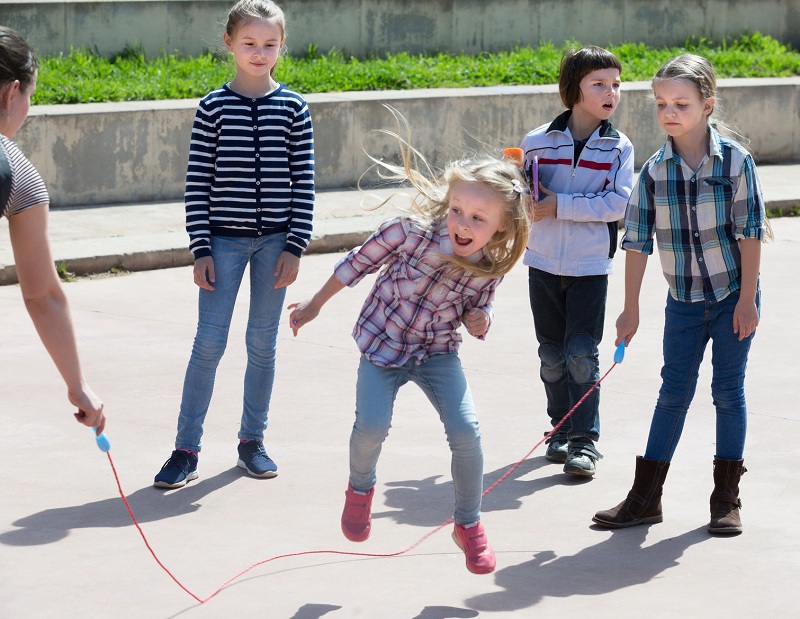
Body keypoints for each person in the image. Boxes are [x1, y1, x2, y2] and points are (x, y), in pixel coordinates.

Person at [287, 118, 529, 575]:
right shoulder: (408, 233)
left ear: (499, 229)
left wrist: (481, 321)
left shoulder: (490, 265)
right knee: (372, 426)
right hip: (382, 346)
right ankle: (360, 490)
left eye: (478, 219)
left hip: (437, 352)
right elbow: (355, 265)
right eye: (458, 210)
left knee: (467, 432)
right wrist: (315, 303)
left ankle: (468, 524)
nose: (463, 223)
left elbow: (481, 312)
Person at [592, 54, 769, 534]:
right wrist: (630, 308)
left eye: (682, 103)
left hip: (734, 295)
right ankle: (645, 498)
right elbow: (635, 241)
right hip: (684, 303)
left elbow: (751, 231)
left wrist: (749, 299)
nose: (670, 112)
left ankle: (726, 498)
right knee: (673, 393)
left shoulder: (735, 161)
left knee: (728, 392)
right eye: (661, 103)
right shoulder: (652, 172)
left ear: (707, 105)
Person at [153, 0, 314, 488]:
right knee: (208, 344)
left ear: (282, 45)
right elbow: (197, 183)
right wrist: (200, 248)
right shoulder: (213, 107)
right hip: (221, 244)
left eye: (269, 44)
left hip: (275, 245)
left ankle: (252, 441)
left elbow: (304, 181)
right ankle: (185, 449)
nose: (259, 52)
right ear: (229, 43)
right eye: (249, 43)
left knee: (262, 344)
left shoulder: (293, 107)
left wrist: (296, 245)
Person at [518, 46, 634, 476]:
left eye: (616, 85)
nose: (611, 93)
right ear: (574, 89)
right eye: (599, 84)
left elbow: (617, 204)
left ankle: (585, 443)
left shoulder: (619, 147)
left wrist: (559, 206)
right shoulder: (536, 142)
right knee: (551, 355)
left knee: (582, 353)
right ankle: (561, 430)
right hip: (543, 263)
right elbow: (524, 197)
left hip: (589, 267)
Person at [0, 26, 106, 435]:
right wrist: (78, 386)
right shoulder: (16, 174)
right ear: (12, 94)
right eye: (29, 96)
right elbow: (42, 295)